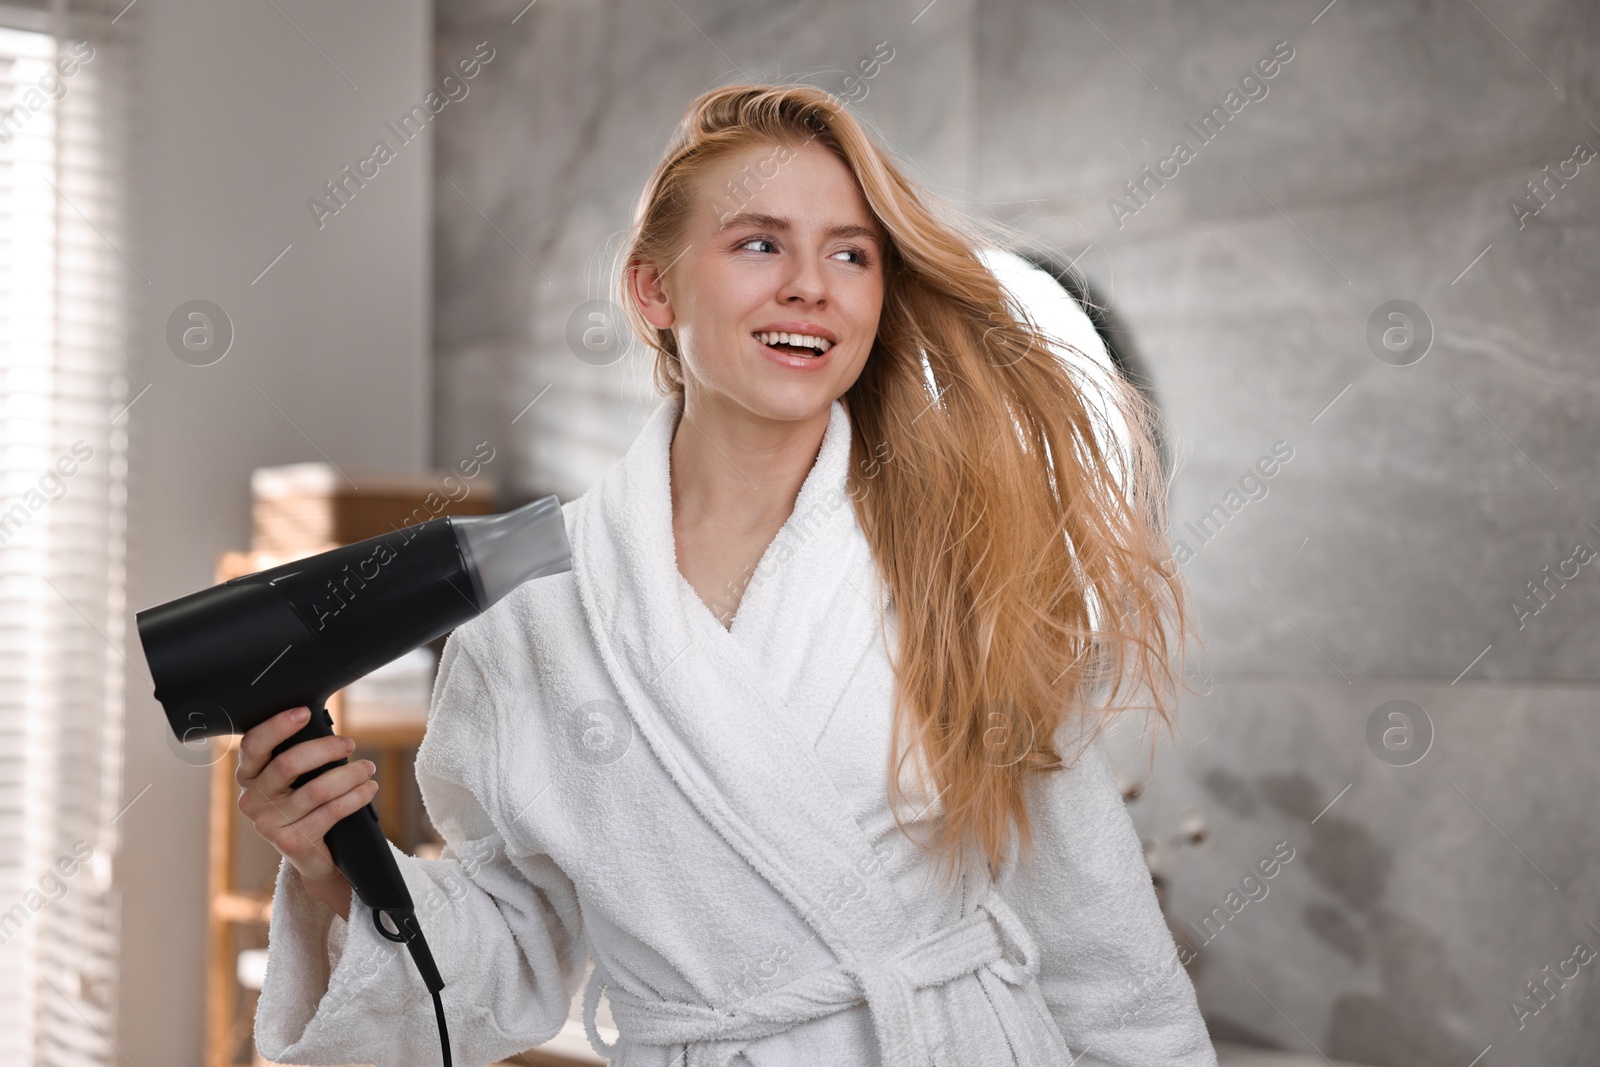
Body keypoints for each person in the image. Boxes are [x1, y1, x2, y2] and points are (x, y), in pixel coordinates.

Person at [241, 83, 1217, 1066]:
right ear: (652, 290)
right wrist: (335, 868)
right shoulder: (536, 611)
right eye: (758, 243)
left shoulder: (949, 558)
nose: (810, 284)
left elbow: (1100, 940)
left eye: (850, 252)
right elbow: (511, 952)